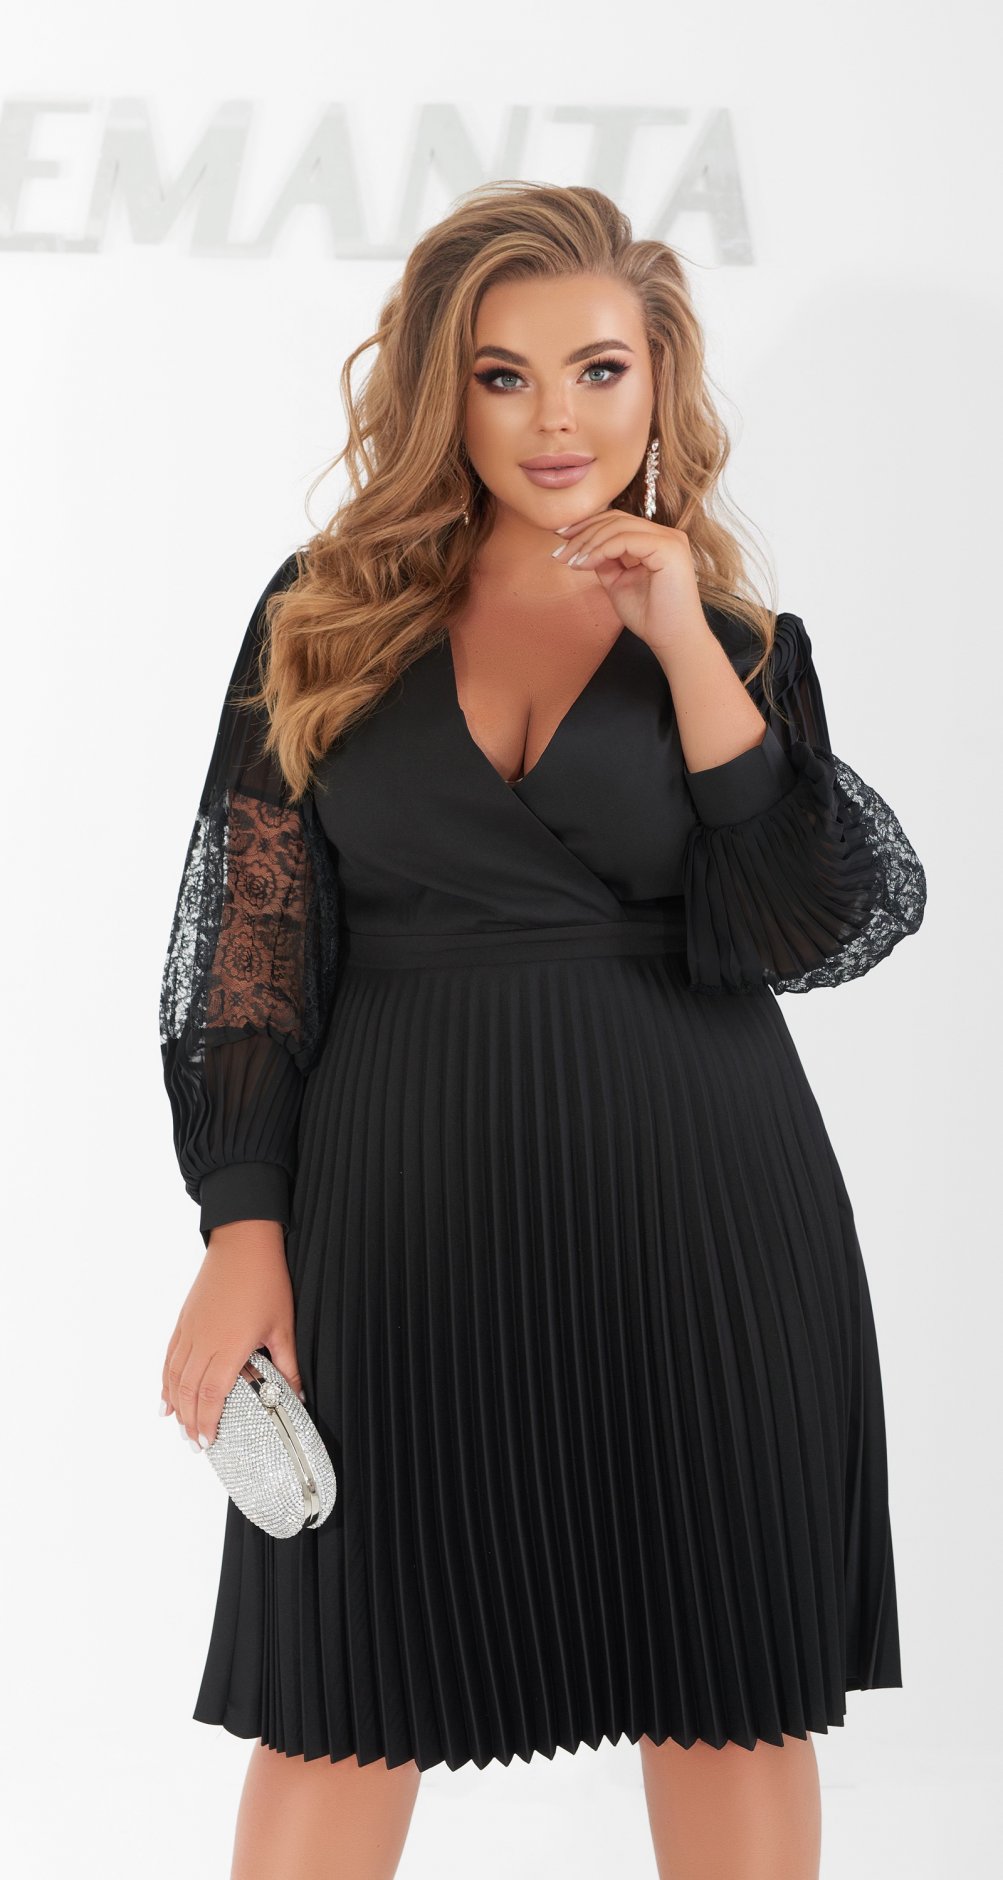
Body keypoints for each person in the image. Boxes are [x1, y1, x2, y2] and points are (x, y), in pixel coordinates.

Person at [158, 181, 927, 1880]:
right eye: (503, 377)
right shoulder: (326, 616)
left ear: (662, 380)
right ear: (444, 391)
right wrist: (241, 1224)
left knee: (729, 1688)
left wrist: (683, 639)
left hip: (704, 1213)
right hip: (397, 1220)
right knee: (338, 1689)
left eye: (598, 370)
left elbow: (813, 922)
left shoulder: (734, 642)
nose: (556, 419)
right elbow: (247, 957)